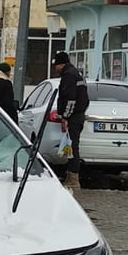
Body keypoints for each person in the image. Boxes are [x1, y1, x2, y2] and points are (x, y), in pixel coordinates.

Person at [53, 50, 89, 193]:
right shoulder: (76, 74)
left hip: (73, 117)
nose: (55, 68)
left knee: (72, 146)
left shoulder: (68, 76)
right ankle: (71, 176)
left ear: (60, 64)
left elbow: (70, 99)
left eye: (56, 65)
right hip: (78, 115)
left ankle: (73, 180)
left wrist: (65, 117)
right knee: (71, 145)